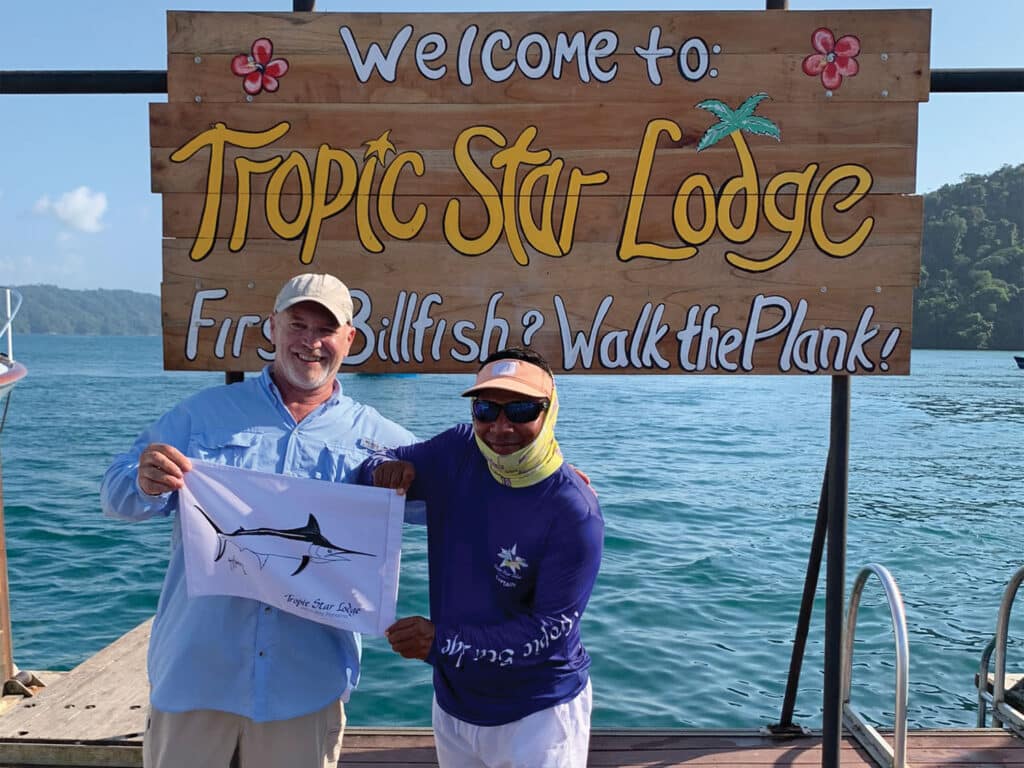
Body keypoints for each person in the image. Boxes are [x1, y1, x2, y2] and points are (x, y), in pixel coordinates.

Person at [101, 273, 416, 768]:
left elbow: (453, 499)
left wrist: (537, 476)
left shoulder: (379, 438)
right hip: (196, 674)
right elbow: (116, 495)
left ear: (349, 340)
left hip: (306, 686)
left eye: (325, 329)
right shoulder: (201, 415)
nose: (310, 342)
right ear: (272, 327)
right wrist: (142, 480)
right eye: (298, 324)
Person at [362, 347, 603, 768]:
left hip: (538, 713)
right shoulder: (459, 449)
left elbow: (547, 632)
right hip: (453, 703)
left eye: (522, 409)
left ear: (549, 413)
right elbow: (374, 466)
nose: (500, 427)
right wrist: (381, 470)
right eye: (486, 408)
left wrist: (441, 641)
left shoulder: (573, 511)